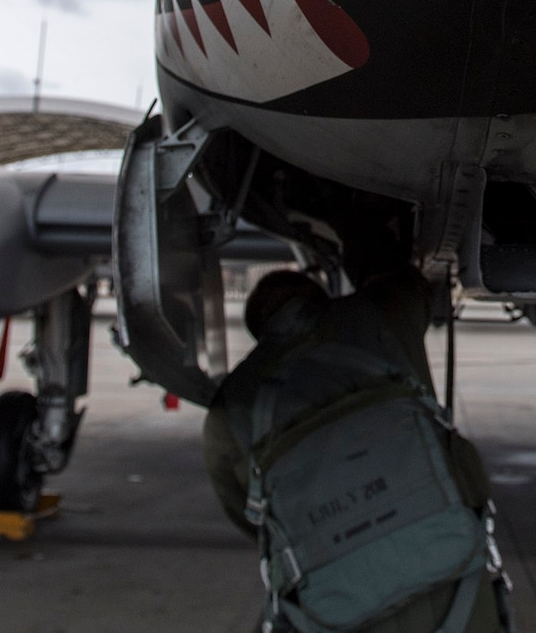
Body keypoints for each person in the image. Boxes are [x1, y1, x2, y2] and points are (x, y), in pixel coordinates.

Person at [204, 265, 508, 632]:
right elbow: (407, 274)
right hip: (454, 583)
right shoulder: (380, 311)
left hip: (339, 609)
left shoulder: (232, 407)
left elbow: (253, 520)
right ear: (321, 298)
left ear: (259, 332)